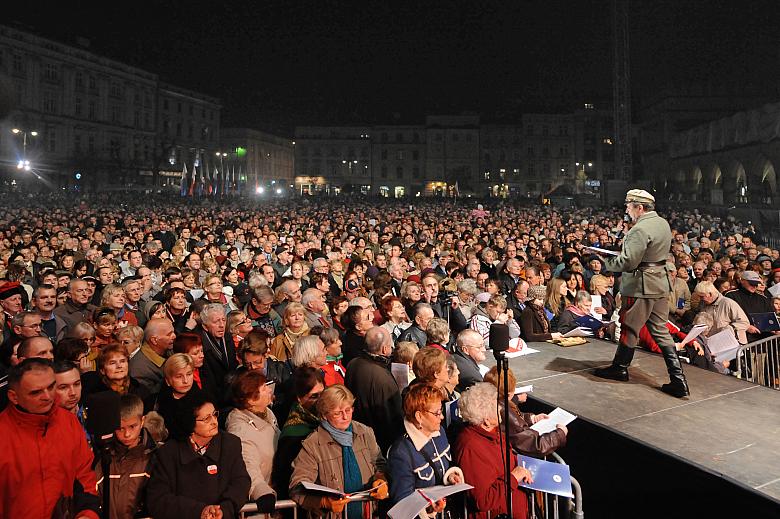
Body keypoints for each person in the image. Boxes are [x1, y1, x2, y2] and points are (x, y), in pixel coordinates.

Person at [594, 189, 690, 398]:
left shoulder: (639, 229)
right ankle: (678, 380)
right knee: (660, 330)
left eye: (629, 206)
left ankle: (620, 368)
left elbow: (629, 262)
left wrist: (606, 261)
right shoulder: (662, 223)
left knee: (629, 327)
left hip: (641, 286)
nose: (627, 210)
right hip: (660, 284)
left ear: (639, 207)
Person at [0, 358, 100, 518]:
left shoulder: (69, 422)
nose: (47, 396)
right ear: (14, 397)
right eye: (36, 392)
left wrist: (87, 513)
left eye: (51, 387)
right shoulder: (4, 434)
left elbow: (84, 475)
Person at [289, 384, 389, 518]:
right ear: (324, 415)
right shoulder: (312, 445)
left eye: (348, 410)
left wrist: (381, 480)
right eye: (337, 413)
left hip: (367, 514)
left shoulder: (365, 433)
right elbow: (297, 487)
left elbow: (380, 465)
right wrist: (323, 502)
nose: (345, 417)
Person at [146, 393, 251, 519]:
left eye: (214, 414)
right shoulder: (168, 453)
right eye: (206, 419)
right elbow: (158, 499)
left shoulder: (230, 444)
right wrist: (199, 511)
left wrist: (223, 510)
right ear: (189, 423)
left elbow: (241, 482)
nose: (214, 422)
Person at [454, 382, 532, 519]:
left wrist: (523, 471)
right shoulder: (470, 446)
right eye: (495, 406)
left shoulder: (494, 432)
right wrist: (514, 477)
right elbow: (483, 500)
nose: (500, 407)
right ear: (486, 420)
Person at [387, 383, 464, 515]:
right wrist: (428, 508)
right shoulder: (401, 453)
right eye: (437, 413)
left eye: (441, 411)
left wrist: (451, 476)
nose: (442, 417)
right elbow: (403, 503)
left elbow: (445, 466)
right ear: (419, 417)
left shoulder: (440, 432)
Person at [95, 394, 158, 519]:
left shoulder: (154, 458)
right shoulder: (103, 458)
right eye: (120, 428)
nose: (127, 434)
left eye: (132, 426)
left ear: (142, 421)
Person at [226, 370, 279, 514]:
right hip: (258, 505)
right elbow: (247, 465)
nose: (270, 390)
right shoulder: (240, 431)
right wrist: (261, 492)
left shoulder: (267, 413)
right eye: (264, 388)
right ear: (251, 400)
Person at [344, 326, 404, 453]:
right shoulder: (383, 378)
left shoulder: (352, 363)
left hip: (357, 435)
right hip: (379, 442)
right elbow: (392, 418)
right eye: (390, 345)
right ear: (384, 349)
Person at [483, 366, 567, 457]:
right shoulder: (503, 411)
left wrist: (532, 419)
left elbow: (514, 424)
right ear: (509, 394)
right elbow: (537, 445)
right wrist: (559, 434)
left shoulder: (489, 402)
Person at [271, 367, 325, 500]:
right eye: (314, 396)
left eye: (323, 394)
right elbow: (286, 478)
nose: (321, 400)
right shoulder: (292, 435)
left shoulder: (322, 421)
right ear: (299, 398)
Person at [129, 318, 176, 394]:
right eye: (169, 334)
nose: (174, 336)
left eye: (173, 332)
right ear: (154, 340)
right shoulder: (140, 370)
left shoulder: (169, 350)